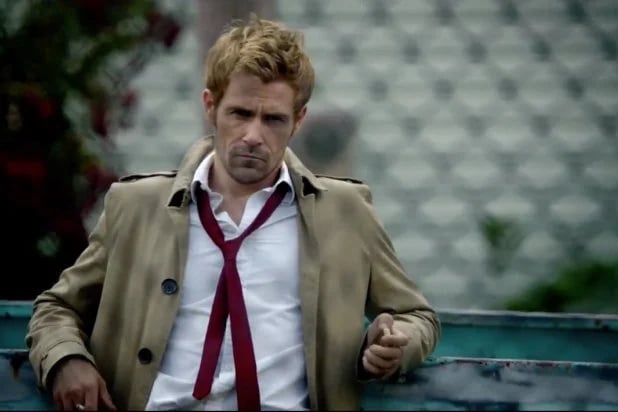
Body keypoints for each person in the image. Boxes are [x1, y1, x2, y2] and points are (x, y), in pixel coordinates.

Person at [26, 16, 440, 411]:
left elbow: (417, 316)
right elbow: (56, 308)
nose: (253, 136)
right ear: (211, 106)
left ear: (298, 121)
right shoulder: (136, 206)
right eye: (240, 114)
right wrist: (66, 360)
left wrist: (394, 343)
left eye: (273, 119)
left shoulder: (344, 213)